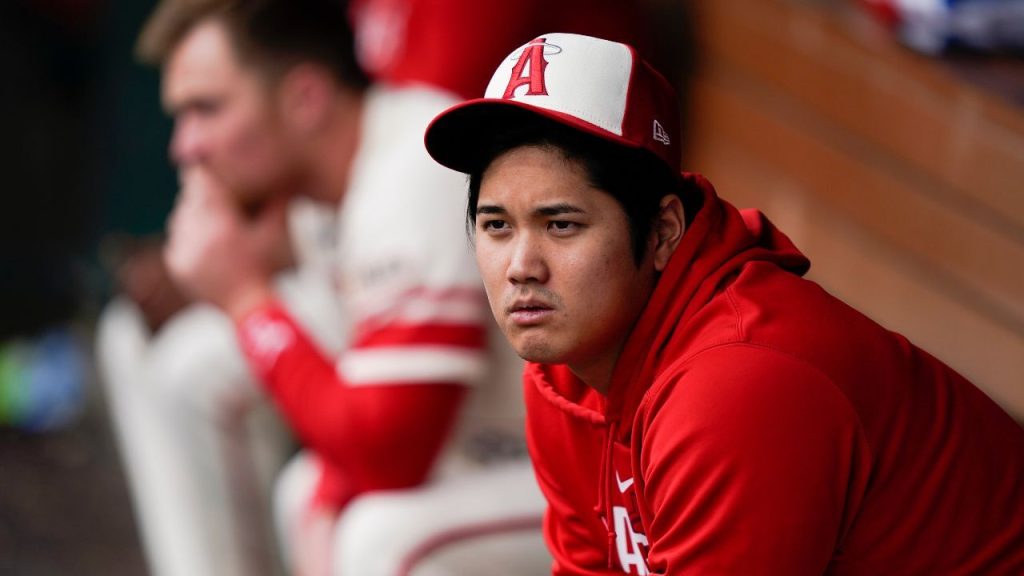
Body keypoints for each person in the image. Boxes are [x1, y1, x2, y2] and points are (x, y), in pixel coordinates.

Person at [424, 32, 1024, 574]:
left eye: (561, 225)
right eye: (497, 226)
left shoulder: (739, 383)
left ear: (662, 234)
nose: (521, 268)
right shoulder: (565, 369)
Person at [98, 1, 552, 575]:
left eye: (206, 110)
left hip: (583, 474)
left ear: (306, 99)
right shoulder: (322, 185)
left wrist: (246, 301)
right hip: (480, 451)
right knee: (305, 490)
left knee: (382, 540)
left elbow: (392, 456)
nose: (185, 147)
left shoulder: (413, 170)